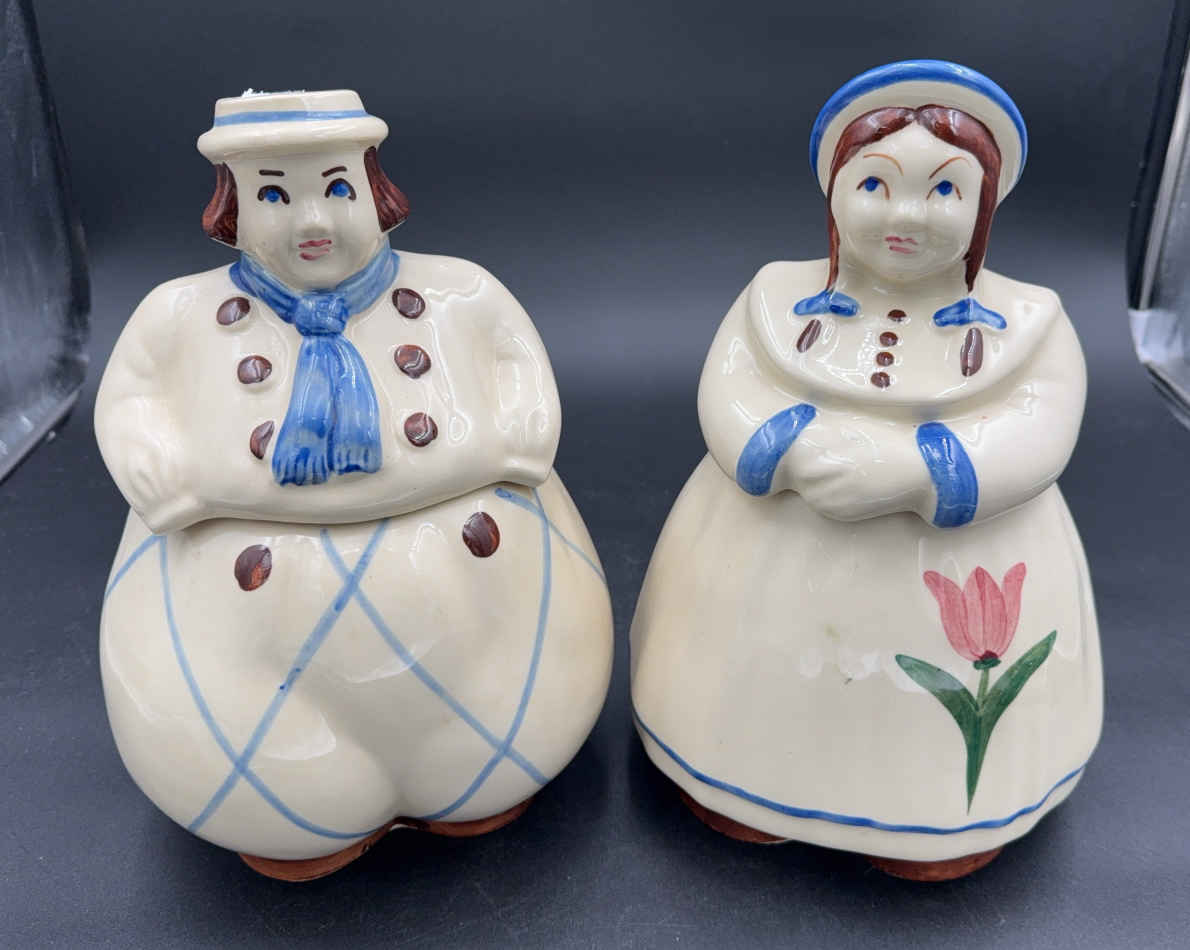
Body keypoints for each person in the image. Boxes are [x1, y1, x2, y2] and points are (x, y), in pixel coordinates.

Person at [95, 90, 612, 880]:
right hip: (246, 639)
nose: (314, 221)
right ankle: (295, 818)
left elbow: (520, 377)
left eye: (337, 188)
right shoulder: (176, 315)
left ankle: (486, 780)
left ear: (377, 190)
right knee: (271, 785)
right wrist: (158, 473)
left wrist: (514, 439)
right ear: (232, 205)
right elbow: (130, 400)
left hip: (481, 607)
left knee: (505, 729)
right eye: (275, 196)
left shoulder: (462, 293)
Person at [630, 61, 1102, 880]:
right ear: (836, 194)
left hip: (956, 555)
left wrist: (916, 471)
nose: (904, 216)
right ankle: (741, 782)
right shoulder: (772, 297)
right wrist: (785, 451)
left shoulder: (1033, 323)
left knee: (914, 733)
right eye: (876, 185)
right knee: (754, 681)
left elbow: (1042, 428)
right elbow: (727, 390)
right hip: (773, 540)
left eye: (944, 191)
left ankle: (936, 820)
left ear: (985, 205)